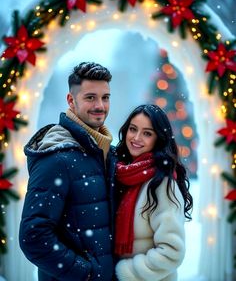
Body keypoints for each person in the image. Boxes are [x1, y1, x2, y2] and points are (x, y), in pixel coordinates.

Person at [19, 62, 117, 281]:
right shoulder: (56, 158)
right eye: (90, 97)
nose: (100, 105)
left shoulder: (108, 154)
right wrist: (85, 273)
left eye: (105, 97)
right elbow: (33, 237)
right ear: (71, 101)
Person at [114, 104, 193, 281]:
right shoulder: (122, 175)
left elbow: (171, 252)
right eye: (133, 129)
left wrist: (126, 272)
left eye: (147, 133)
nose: (136, 138)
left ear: (159, 139)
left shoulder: (161, 184)